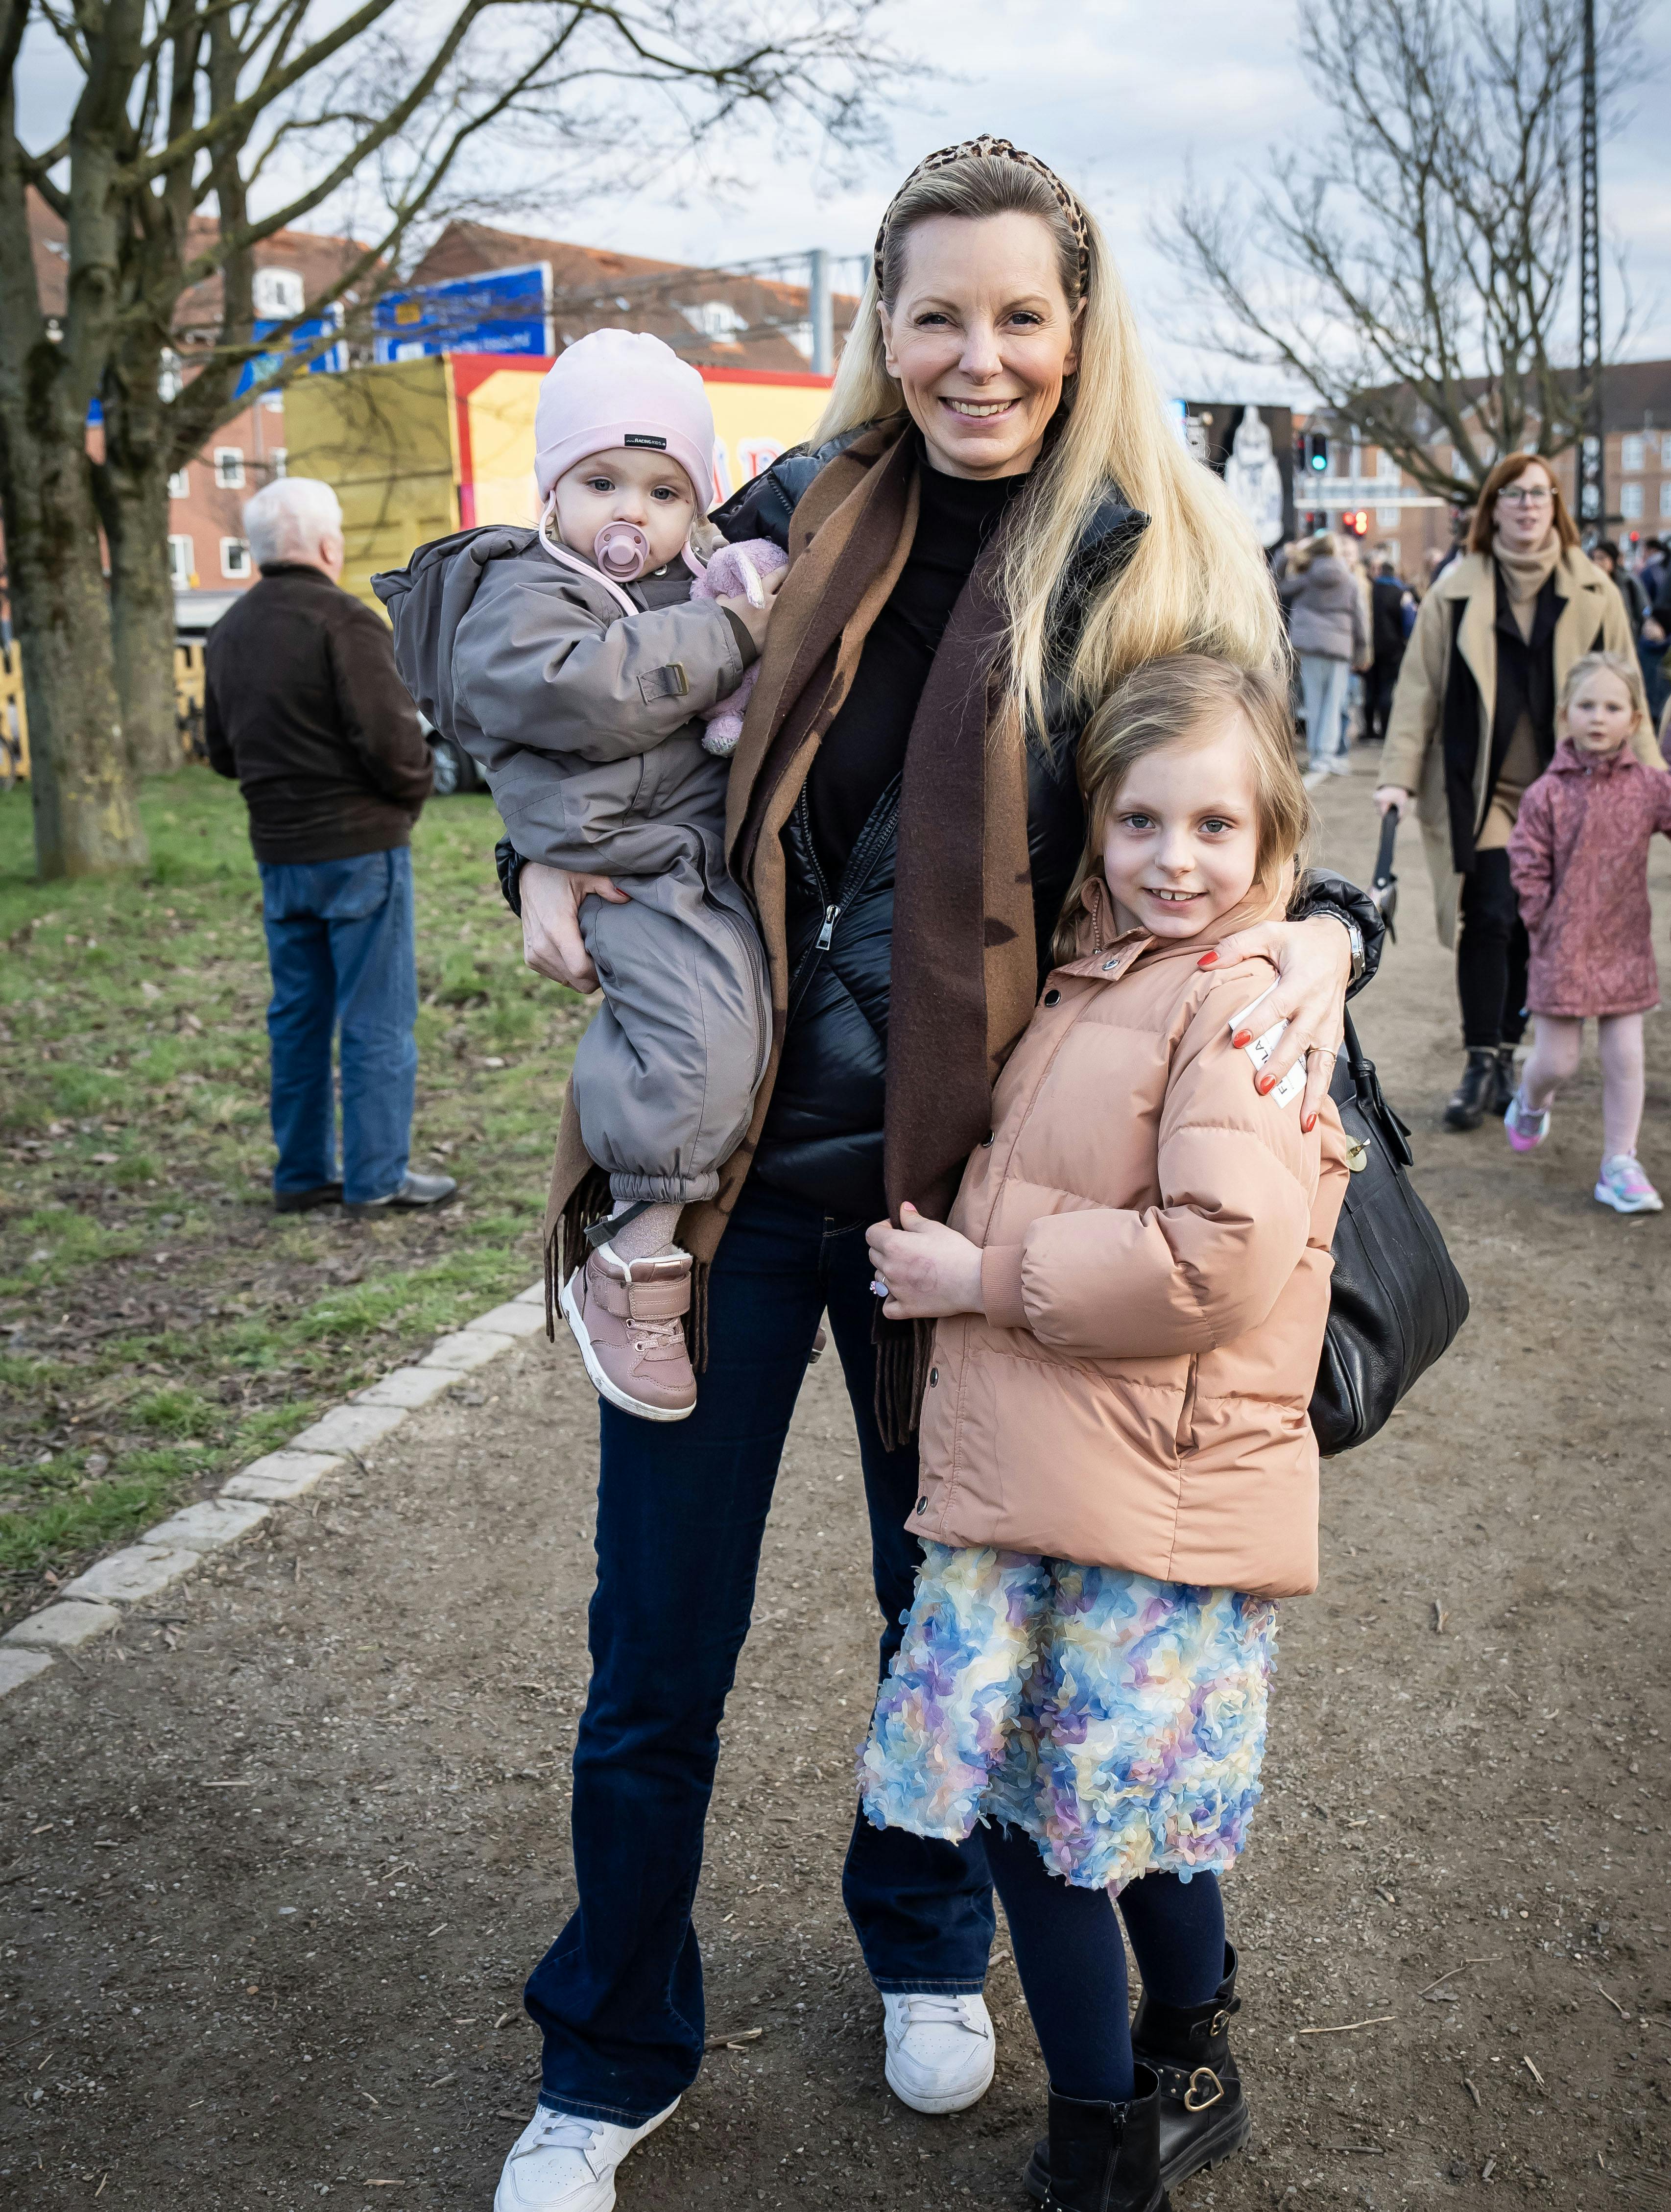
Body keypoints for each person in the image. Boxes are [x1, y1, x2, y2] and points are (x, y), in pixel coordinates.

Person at [489, 137, 1383, 2212]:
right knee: (654, 1656)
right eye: (936, 316)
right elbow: (579, 684)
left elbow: (1244, 818)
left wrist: (1327, 937)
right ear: (880, 332)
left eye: (1018, 317)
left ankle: (919, 1933)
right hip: (722, 1188)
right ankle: (606, 2049)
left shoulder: (1141, 564)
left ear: (1077, 330)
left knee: (948, 1621)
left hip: (957, 1204)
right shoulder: (788, 517)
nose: (978, 357)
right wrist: (534, 853)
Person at [859, 654, 1347, 2212]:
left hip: (1135, 1489)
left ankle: (1105, 2141)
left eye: (1215, 824)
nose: (1173, 858)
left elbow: (1218, 1255)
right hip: (1067, 1469)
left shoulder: (1235, 999)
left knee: (1049, 1823)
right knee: (1122, 1805)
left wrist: (978, 1274)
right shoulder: (1105, 967)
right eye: (1140, 820)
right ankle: (1191, 2058)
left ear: (1271, 831)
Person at [377, 331, 780, 1421]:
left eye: (663, 491)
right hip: (623, 864)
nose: (629, 512)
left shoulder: (672, 587)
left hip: (672, 854)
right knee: (699, 1041)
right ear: (549, 492)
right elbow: (583, 695)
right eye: (601, 482)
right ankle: (632, 1254)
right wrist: (729, 632)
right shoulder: (526, 588)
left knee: (732, 1027)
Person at [1375, 452, 1660, 1131]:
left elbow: (1631, 693)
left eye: (1539, 493)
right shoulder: (1454, 590)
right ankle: (1480, 1062)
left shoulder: (1595, 590)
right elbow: (1418, 689)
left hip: (1569, 792)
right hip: (1486, 788)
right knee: (1490, 911)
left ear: (1554, 505)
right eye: (1513, 494)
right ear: (1493, 508)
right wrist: (1396, 777)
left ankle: (1508, 1052)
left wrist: (1653, 779)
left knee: (1539, 920)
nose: (1528, 505)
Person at [204, 477, 454, 1218]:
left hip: (279, 851)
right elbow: (392, 740)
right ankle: (377, 1178)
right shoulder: (345, 621)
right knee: (376, 1016)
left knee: (298, 1016)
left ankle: (303, 1172)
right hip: (360, 848)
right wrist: (410, 793)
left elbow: (221, 753)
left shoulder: (227, 632)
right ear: (325, 545)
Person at [1504, 652, 1671, 1214]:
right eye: (1587, 705)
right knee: (1558, 1062)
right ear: (1565, 714)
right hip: (1563, 949)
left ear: (1635, 720)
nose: (1599, 717)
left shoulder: (1649, 787)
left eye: (1613, 707)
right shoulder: (1545, 794)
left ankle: (1619, 1164)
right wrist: (1542, 919)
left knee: (1626, 1058)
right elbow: (1526, 862)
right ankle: (1530, 1101)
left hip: (1625, 946)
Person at [1278, 530, 1368, 784]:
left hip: (1310, 645)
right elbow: (1360, 616)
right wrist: (1363, 649)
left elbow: (1279, 584)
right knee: (1334, 702)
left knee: (1315, 700)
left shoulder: (1308, 578)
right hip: (1339, 647)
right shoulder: (1349, 579)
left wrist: (1285, 557)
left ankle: (1317, 754)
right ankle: (1327, 754)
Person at [1365, 548, 1415, 746]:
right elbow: (1409, 622)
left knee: (1371, 688)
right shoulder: (1401, 592)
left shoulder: (1371, 590)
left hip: (1372, 646)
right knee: (1387, 688)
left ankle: (1369, 729)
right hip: (1394, 648)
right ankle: (1385, 730)